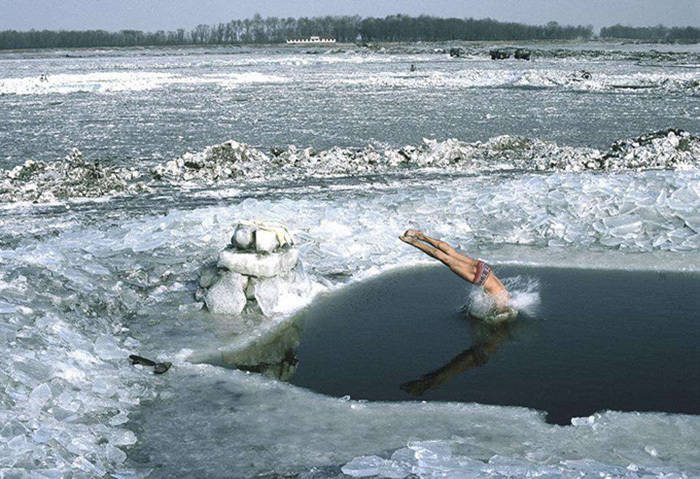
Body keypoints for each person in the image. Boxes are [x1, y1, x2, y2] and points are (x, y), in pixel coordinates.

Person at [399, 229, 510, 310]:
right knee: (446, 259)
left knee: (452, 253)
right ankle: (415, 242)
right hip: (479, 278)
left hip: (485, 268)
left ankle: (421, 236)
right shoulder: (501, 305)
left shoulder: (506, 294)